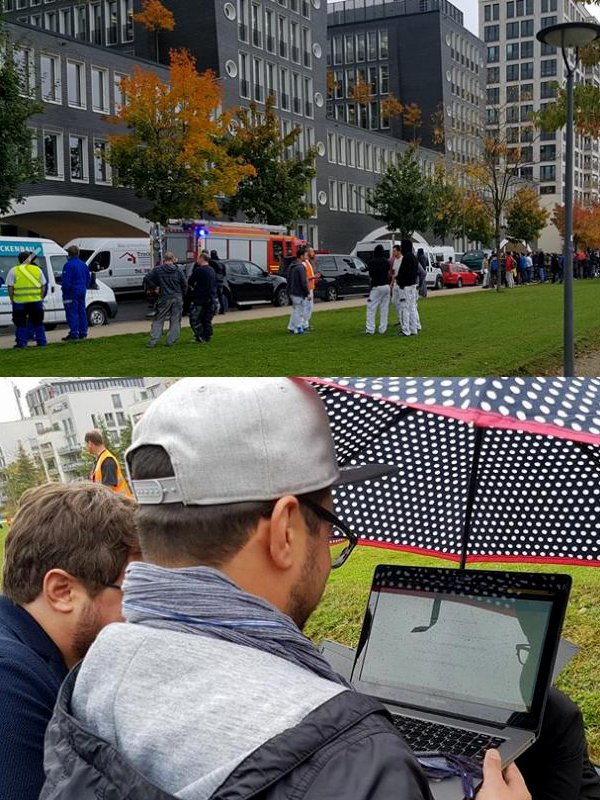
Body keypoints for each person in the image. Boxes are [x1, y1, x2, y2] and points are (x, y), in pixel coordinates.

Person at [40, 378, 529, 800]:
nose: (330, 543)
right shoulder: (353, 757)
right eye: (329, 521)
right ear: (286, 530)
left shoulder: (95, 671)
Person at [0, 482, 138, 800]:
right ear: (62, 591)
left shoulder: (40, 654)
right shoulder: (8, 681)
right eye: (131, 592)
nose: (141, 613)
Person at [144, 251, 187, 348]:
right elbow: (184, 284)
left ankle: (153, 341)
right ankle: (171, 341)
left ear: (164, 259)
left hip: (164, 297)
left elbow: (147, 278)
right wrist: (183, 295)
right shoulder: (178, 270)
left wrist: (155, 287)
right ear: (173, 259)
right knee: (175, 320)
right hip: (177, 297)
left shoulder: (158, 270)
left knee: (158, 319)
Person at [5, 250, 47, 349]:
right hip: (36, 301)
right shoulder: (37, 269)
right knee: (38, 322)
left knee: (20, 323)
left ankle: (21, 343)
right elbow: (43, 286)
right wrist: (40, 297)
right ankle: (42, 342)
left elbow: (10, 287)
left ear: (19, 260)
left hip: (19, 301)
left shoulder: (14, 270)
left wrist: (12, 298)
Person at [84, 429, 133, 497]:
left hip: (120, 503)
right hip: (117, 503)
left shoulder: (107, 460)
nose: (86, 447)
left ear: (90, 443)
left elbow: (108, 489)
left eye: (86, 444)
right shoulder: (101, 459)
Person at [61, 244, 91, 341]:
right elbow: (88, 279)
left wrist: (64, 290)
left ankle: (74, 333)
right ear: (78, 253)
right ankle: (83, 332)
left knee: (72, 312)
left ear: (69, 254)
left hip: (71, 291)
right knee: (81, 311)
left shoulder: (68, 265)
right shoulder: (83, 264)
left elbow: (66, 281)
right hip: (82, 290)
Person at [188, 251, 218, 344]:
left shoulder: (199, 270)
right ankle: (208, 335)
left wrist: (193, 288)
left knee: (195, 319)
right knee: (206, 319)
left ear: (201, 258)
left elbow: (190, 281)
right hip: (211, 298)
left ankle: (200, 336)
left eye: (198, 258)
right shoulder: (211, 270)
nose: (197, 260)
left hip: (200, 298)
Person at [365, 243, 391, 335]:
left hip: (376, 287)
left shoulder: (372, 262)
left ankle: (370, 329)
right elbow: (389, 273)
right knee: (384, 308)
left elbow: (371, 276)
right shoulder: (386, 262)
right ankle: (382, 329)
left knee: (371, 307)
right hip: (386, 286)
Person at [396, 239, 420, 336]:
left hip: (405, 286)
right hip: (413, 285)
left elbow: (404, 272)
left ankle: (406, 330)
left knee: (404, 307)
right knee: (412, 307)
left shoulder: (406, 258)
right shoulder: (414, 257)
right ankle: (413, 329)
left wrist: (399, 280)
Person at [287, 245, 309, 335]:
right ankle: (297, 328)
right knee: (299, 311)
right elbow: (303, 282)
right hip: (298, 292)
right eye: (305, 255)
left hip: (292, 291)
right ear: (301, 256)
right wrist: (307, 292)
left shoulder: (292, 266)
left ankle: (291, 327)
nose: (307, 257)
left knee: (295, 310)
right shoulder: (300, 267)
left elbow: (288, 278)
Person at [302, 245, 317, 332]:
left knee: (309, 306)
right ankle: (304, 324)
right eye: (312, 251)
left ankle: (306, 323)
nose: (313, 253)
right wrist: (313, 277)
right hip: (307, 288)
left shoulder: (308, 262)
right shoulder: (304, 264)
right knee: (307, 306)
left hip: (310, 287)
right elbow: (304, 278)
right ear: (307, 252)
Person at [209, 249, 228, 314]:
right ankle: (223, 310)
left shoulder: (211, 262)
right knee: (220, 296)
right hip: (220, 281)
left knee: (213, 296)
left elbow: (210, 272)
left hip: (214, 281)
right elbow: (224, 273)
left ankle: (214, 310)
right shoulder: (221, 263)